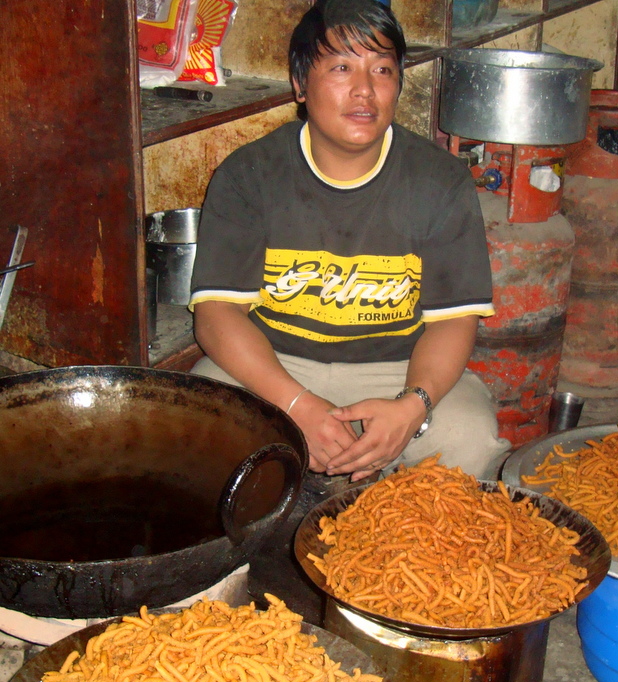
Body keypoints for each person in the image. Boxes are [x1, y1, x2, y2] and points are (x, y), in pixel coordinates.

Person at [189, 0, 510, 482]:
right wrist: (295, 405)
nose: (365, 90)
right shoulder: (249, 175)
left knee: (469, 437)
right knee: (195, 423)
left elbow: (453, 322)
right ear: (300, 84)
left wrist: (412, 407)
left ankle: (414, 556)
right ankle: (233, 558)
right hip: (274, 366)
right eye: (341, 66)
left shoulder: (439, 180)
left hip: (399, 370)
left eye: (382, 69)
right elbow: (216, 317)